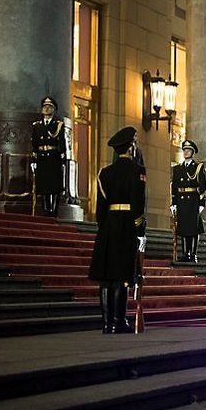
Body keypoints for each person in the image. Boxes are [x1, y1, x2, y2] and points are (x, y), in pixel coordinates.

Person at [88, 127, 147, 333]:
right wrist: (140, 230)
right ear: (131, 147)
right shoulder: (137, 171)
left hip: (108, 226)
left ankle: (106, 323)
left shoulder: (104, 173)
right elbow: (138, 204)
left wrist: (104, 228)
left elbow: (100, 207)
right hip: (127, 225)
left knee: (106, 277)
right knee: (122, 275)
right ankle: (119, 321)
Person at [170, 140, 206, 263]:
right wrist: (173, 203)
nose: (186, 152)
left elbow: (203, 187)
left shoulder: (198, 167)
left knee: (193, 229)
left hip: (193, 201)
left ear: (193, 152)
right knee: (184, 228)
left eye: (188, 150)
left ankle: (193, 254)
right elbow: (174, 187)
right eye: (184, 150)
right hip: (181, 201)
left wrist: (202, 204)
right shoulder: (177, 168)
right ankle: (185, 253)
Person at [30, 96, 67, 216]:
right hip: (42, 158)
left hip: (53, 158)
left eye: (49, 107)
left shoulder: (58, 125)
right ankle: (46, 210)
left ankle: (54, 210)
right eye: (44, 107)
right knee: (44, 186)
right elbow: (34, 144)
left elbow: (62, 143)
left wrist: (63, 161)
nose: (46, 109)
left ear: (54, 110)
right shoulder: (37, 126)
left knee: (54, 186)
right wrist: (34, 160)